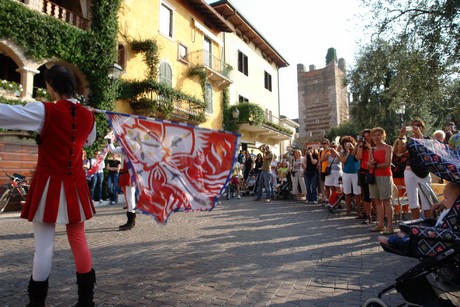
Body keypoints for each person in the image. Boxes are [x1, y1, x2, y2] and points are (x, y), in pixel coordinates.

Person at [0, 65, 97, 306]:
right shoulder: (88, 115)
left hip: (49, 185)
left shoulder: (44, 111)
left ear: (49, 85)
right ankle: (86, 301)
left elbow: (6, 113)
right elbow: (92, 139)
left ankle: (37, 303)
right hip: (74, 186)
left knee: (44, 246)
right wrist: (88, 114)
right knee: (79, 239)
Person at [378, 181, 460, 252]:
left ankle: (391, 241)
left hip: (439, 240)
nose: (443, 201)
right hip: (440, 233)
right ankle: (407, 236)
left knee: (411, 242)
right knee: (424, 225)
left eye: (445, 198)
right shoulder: (452, 210)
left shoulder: (454, 212)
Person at [395, 118, 432, 219]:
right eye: (414, 126)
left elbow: (426, 150)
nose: (416, 127)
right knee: (412, 201)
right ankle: (415, 224)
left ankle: (428, 223)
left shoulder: (427, 139)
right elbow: (399, 152)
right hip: (409, 170)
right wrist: (401, 136)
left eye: (418, 125)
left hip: (423, 171)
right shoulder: (410, 140)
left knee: (426, 200)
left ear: (422, 128)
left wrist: (419, 135)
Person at [106, 134, 137, 230]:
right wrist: (109, 141)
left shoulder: (133, 148)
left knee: (130, 198)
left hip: (129, 174)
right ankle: (130, 220)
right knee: (129, 198)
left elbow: (113, 150)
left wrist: (110, 141)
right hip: (126, 174)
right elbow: (113, 150)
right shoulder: (125, 148)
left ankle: (131, 221)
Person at [368, 127, 394, 234]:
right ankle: (380, 224)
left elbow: (387, 163)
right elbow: (369, 162)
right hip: (374, 176)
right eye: (374, 135)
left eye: (379, 135)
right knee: (377, 201)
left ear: (383, 136)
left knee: (386, 201)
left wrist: (375, 166)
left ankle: (390, 226)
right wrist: (370, 164)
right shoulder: (372, 149)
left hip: (385, 176)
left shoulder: (388, 147)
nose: (377, 137)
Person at [356, 129, 374, 223]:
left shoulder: (375, 146)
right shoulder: (362, 146)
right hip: (363, 171)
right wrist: (360, 146)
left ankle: (376, 214)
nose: (367, 138)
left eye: (368, 136)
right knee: (366, 194)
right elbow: (358, 157)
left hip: (373, 171)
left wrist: (370, 147)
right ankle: (368, 215)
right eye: (365, 136)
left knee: (375, 195)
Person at [339, 136, 361, 215]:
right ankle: (348, 208)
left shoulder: (356, 150)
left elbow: (358, 157)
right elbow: (342, 161)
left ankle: (358, 208)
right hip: (346, 173)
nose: (347, 144)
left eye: (348, 143)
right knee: (347, 192)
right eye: (345, 143)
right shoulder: (343, 152)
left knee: (357, 192)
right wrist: (347, 152)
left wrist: (353, 148)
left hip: (355, 173)